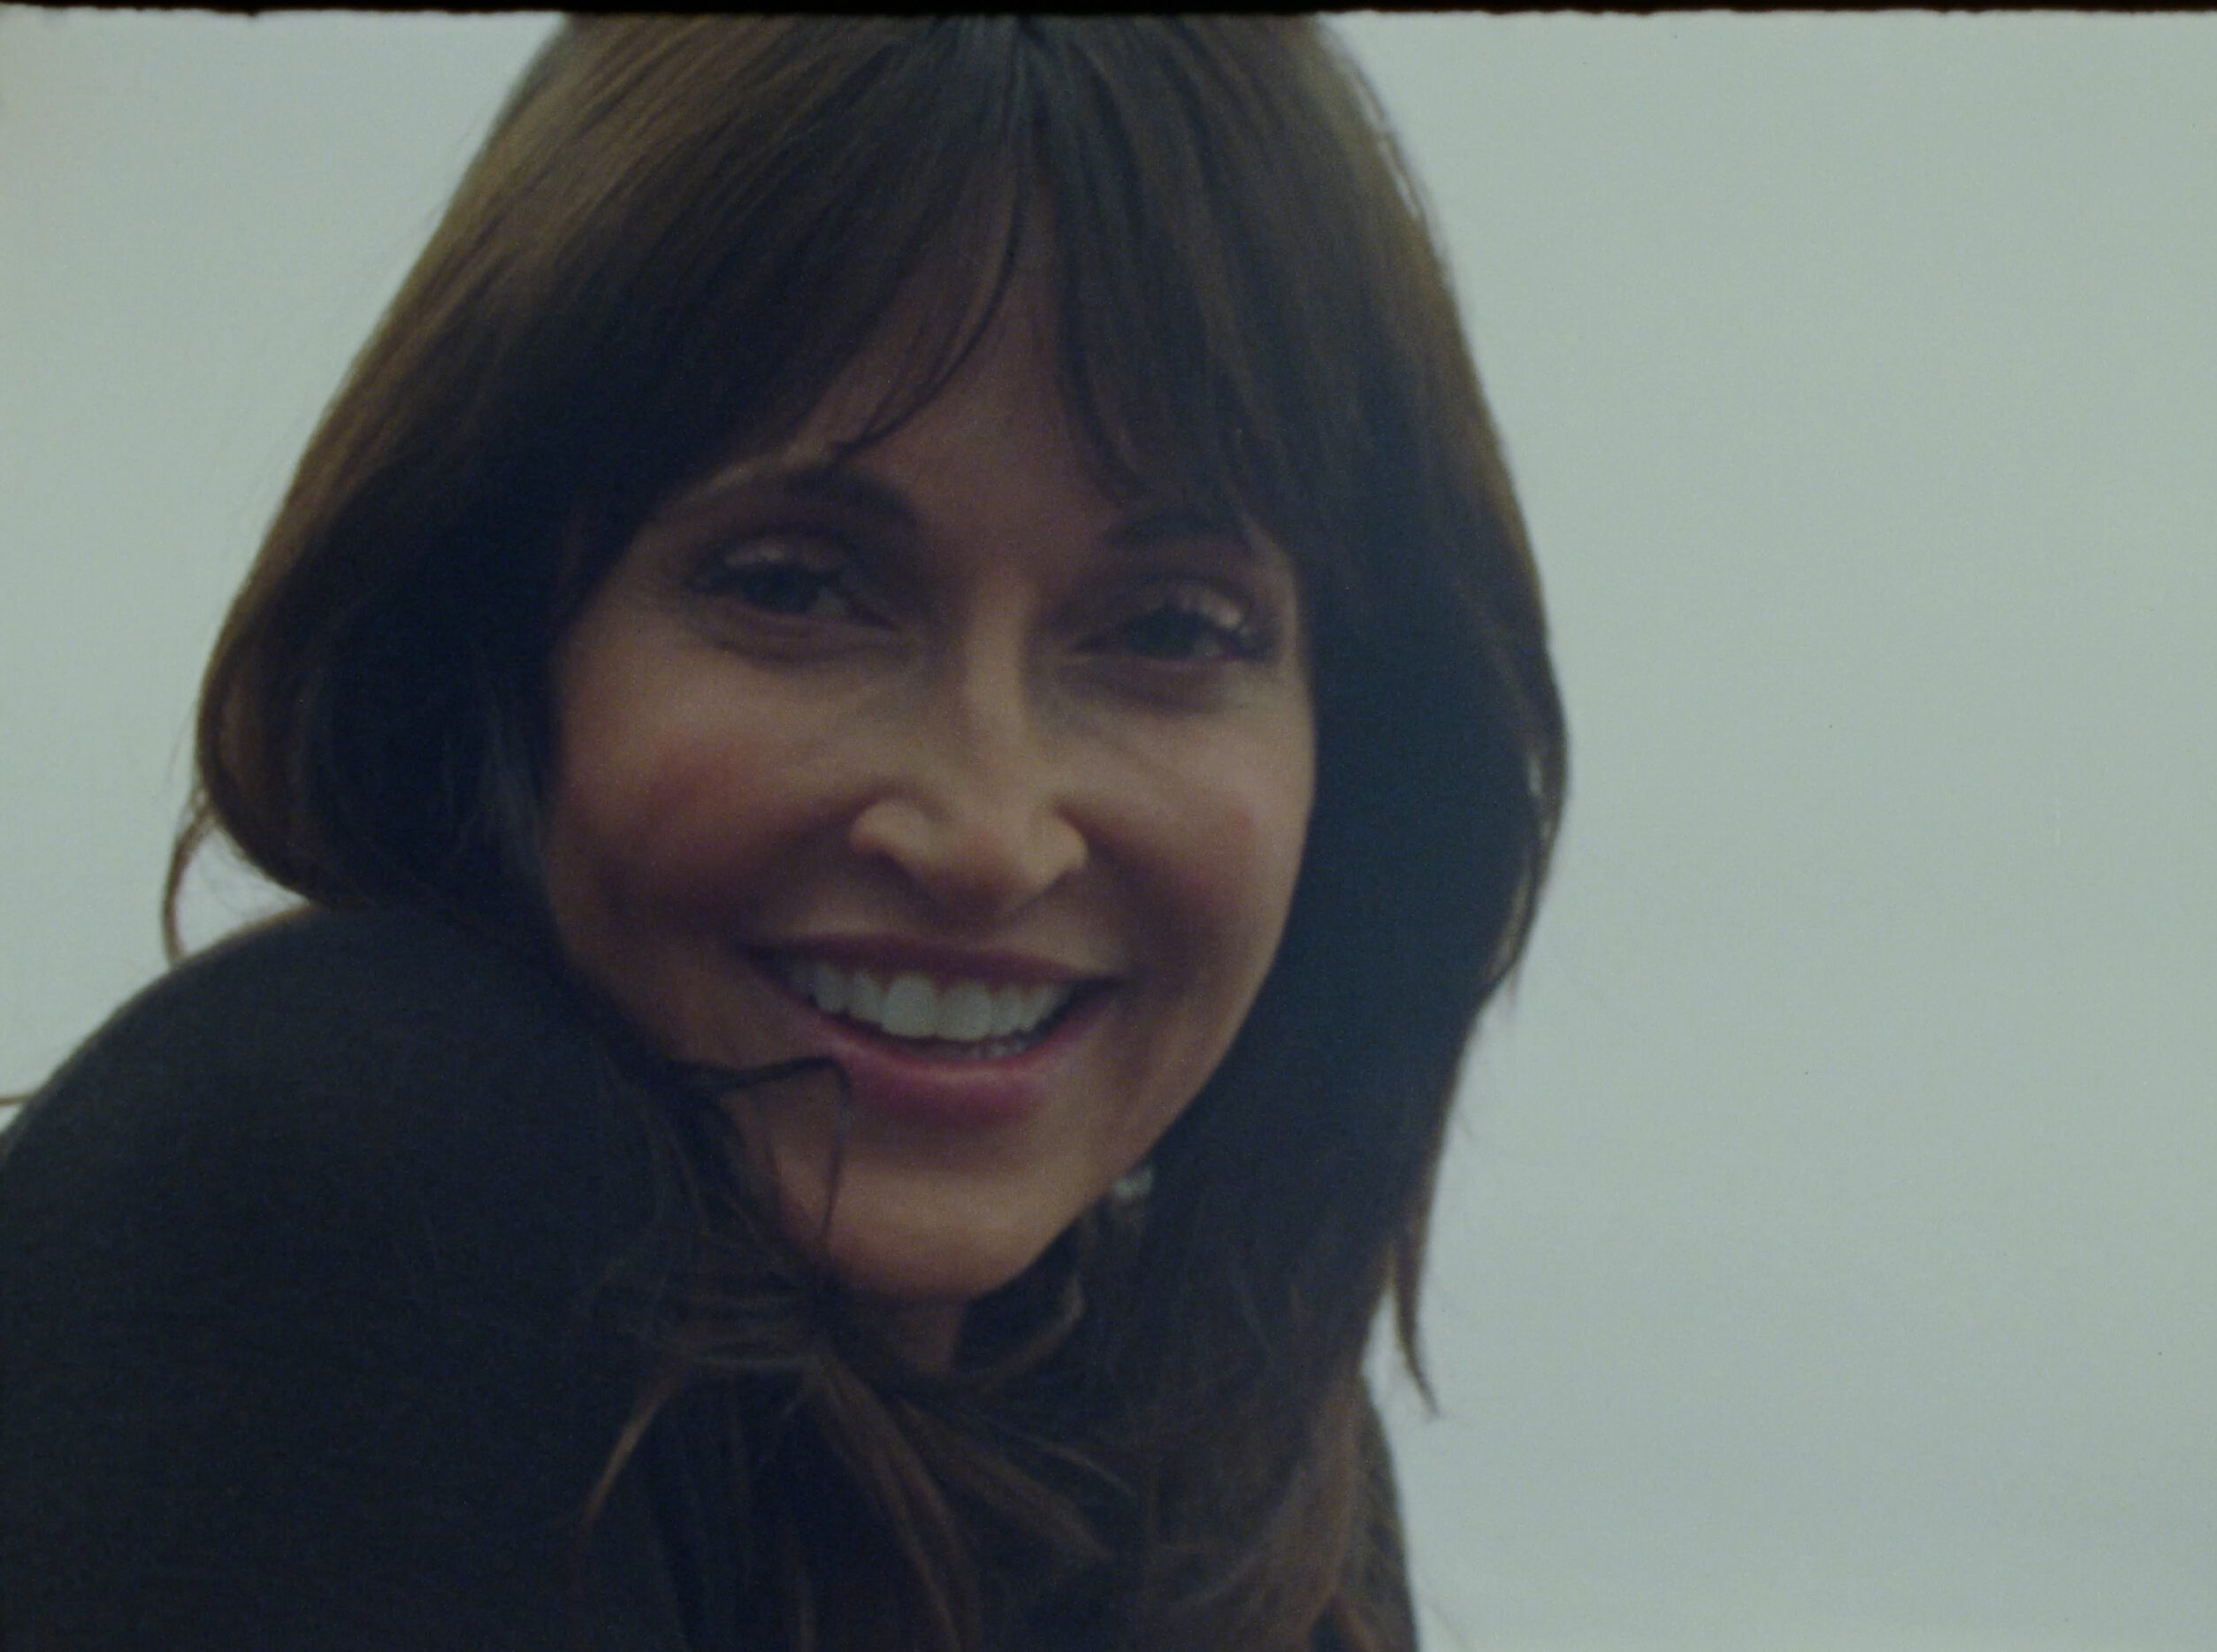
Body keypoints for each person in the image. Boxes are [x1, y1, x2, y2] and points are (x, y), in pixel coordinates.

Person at [0, 18, 1564, 1652]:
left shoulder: (1214, 1478)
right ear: (489, 643)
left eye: (1170, 628)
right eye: (798, 589)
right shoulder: (339, 1196)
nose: (987, 834)